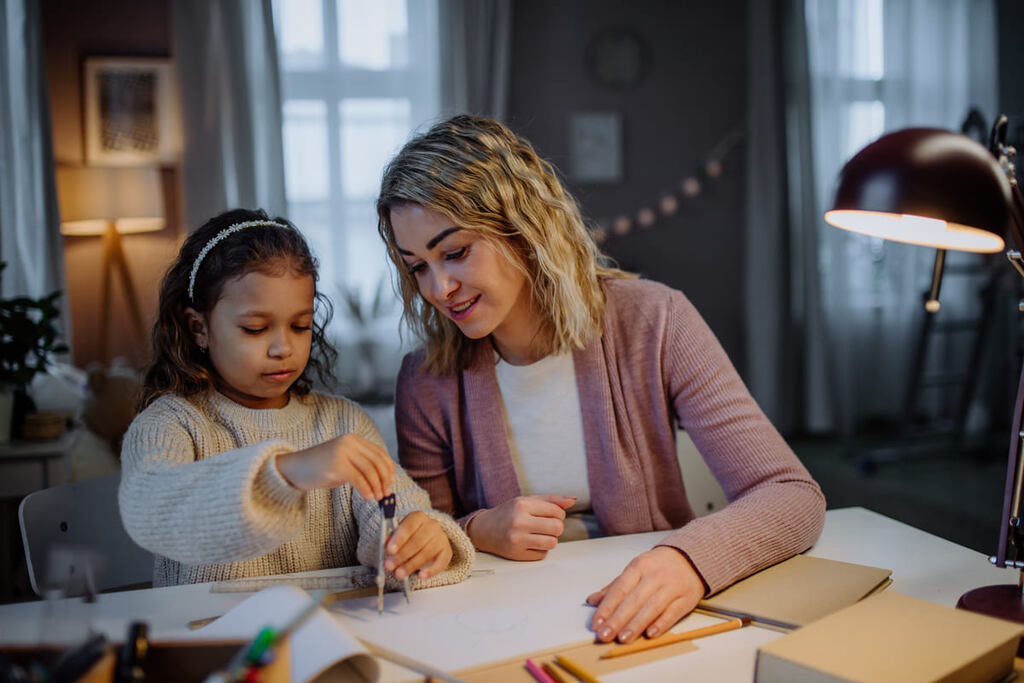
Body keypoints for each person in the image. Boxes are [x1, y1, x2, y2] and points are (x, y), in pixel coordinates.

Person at [376, 115, 826, 644]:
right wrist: (475, 530)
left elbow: (791, 494)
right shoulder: (426, 380)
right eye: (417, 267)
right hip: (502, 626)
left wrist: (687, 560)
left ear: (524, 228)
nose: (440, 287)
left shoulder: (656, 320)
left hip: (649, 610)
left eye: (454, 252)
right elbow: (422, 532)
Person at [118, 208, 473, 590]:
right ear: (198, 328)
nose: (282, 347)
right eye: (255, 329)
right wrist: (283, 473)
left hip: (331, 638)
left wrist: (415, 538)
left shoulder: (344, 423)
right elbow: (149, 509)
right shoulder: (171, 424)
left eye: (300, 325)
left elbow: (395, 509)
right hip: (209, 641)